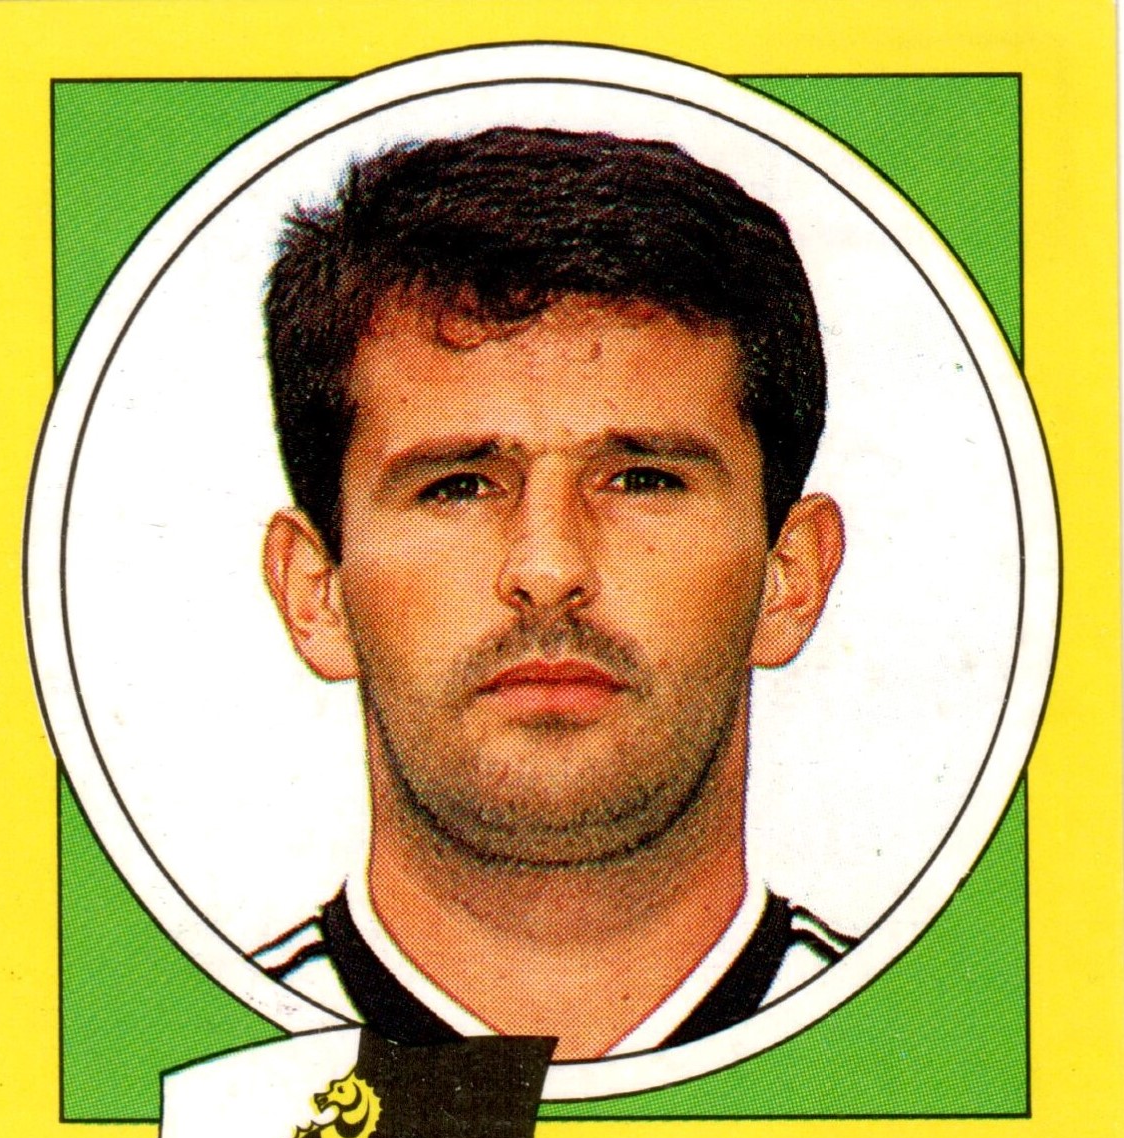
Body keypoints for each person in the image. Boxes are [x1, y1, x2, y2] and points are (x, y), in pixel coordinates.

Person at [254, 126, 851, 1063]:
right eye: (457, 486)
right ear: (314, 594)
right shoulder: (175, 1088)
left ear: (790, 577)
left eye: (642, 479)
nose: (547, 568)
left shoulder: (959, 1073)